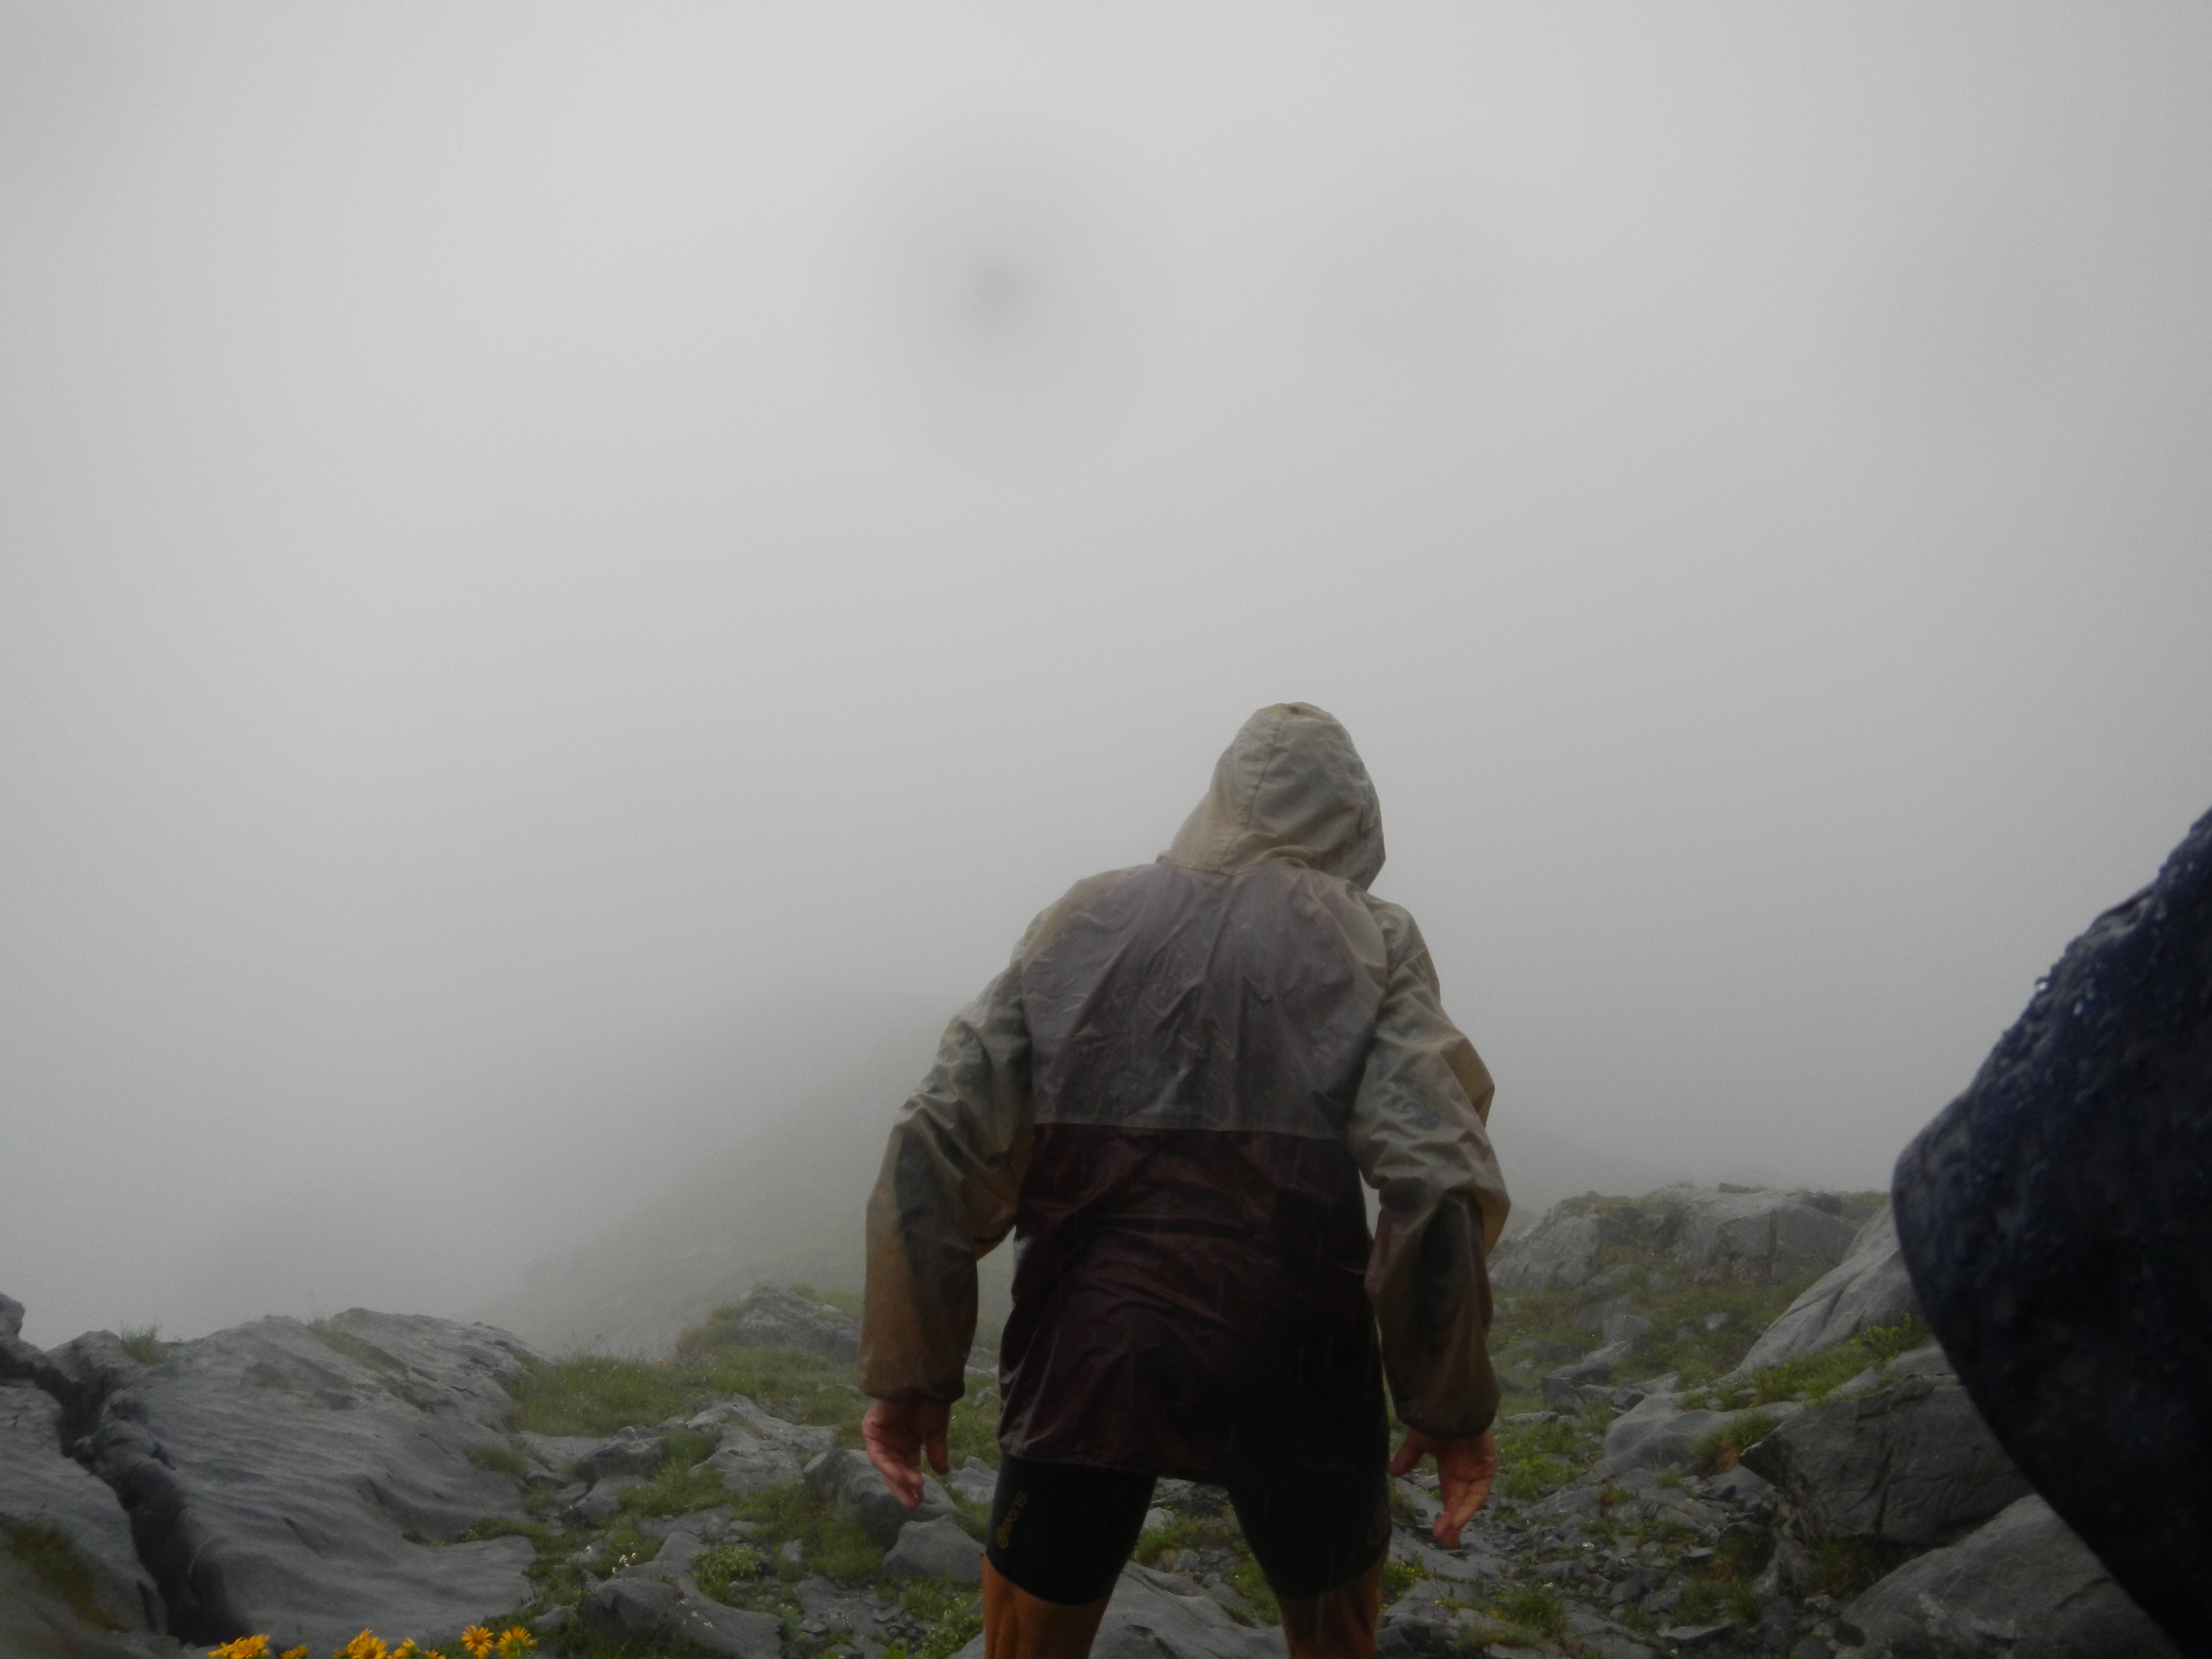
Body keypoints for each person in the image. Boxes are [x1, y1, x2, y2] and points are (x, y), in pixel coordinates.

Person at [857, 703, 1509, 1659]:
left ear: (1219, 798)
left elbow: (934, 1142)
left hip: (1091, 1355)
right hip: (1295, 1358)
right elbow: (1439, 1176)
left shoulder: (1080, 918)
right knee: (1335, 1635)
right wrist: (1449, 1407)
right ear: (1355, 820)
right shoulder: (1369, 935)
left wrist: (911, 1375)